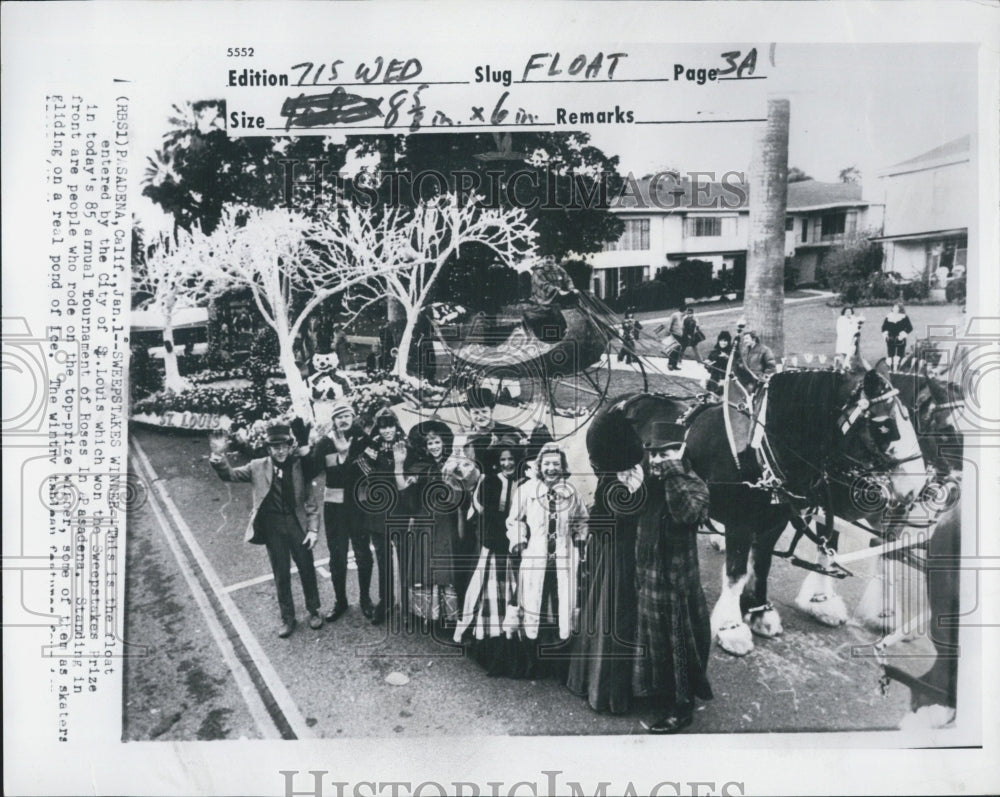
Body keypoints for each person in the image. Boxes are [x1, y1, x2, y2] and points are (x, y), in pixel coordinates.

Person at [633, 424, 713, 733]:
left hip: (677, 582)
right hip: (649, 576)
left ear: (680, 453)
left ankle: (682, 708)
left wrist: (672, 470)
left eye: (665, 453)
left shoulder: (692, 483)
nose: (656, 460)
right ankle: (658, 693)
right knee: (654, 643)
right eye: (653, 453)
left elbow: (689, 514)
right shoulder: (651, 483)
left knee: (679, 646)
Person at [209, 423, 324, 638]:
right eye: (275, 447)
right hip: (272, 527)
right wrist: (219, 459)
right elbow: (231, 475)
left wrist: (313, 530)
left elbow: (310, 501)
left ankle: (314, 611)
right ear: (268, 449)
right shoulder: (256, 466)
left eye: (284, 446)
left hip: (296, 524)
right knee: (281, 574)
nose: (280, 451)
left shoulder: (301, 466)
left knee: (307, 568)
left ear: (290, 447)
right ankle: (288, 618)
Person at [567, 409, 646, 714]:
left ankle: (599, 686)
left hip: (610, 552)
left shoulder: (611, 482)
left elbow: (603, 521)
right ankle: (619, 688)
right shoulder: (635, 478)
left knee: (604, 613)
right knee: (621, 616)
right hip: (626, 552)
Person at [504, 442, 589, 678]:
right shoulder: (527, 491)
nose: (551, 468)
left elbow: (582, 520)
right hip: (535, 558)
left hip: (564, 558)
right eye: (547, 463)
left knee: (562, 607)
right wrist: (519, 540)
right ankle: (531, 663)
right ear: (539, 466)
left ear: (562, 467)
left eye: (556, 464)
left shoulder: (571, 493)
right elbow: (513, 520)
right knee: (533, 607)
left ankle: (560, 667)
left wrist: (580, 543)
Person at [454, 437, 528, 676]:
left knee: (516, 598)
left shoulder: (525, 483)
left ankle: (516, 646)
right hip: (496, 550)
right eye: (502, 459)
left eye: (510, 459)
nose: (506, 463)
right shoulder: (490, 483)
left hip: (518, 550)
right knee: (491, 598)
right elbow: (486, 518)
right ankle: (491, 645)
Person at [396, 418, 466, 628]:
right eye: (430, 443)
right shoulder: (420, 467)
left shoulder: (453, 463)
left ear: (444, 442)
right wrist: (399, 464)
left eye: (437, 442)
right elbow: (403, 488)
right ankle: (429, 613)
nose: (434, 446)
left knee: (446, 564)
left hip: (448, 520)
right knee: (425, 565)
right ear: (424, 446)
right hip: (425, 519)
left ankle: (449, 614)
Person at [309, 399, 374, 622]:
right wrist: (315, 446)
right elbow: (313, 469)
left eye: (347, 415)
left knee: (363, 553)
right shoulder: (325, 442)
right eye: (339, 416)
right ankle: (341, 601)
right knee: (337, 556)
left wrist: (346, 457)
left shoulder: (364, 439)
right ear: (333, 420)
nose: (343, 420)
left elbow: (367, 471)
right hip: (334, 507)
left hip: (358, 504)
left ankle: (365, 599)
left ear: (353, 416)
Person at [355, 407, 409, 625]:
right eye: (383, 426)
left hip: (401, 510)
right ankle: (385, 602)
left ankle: (408, 604)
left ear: (396, 425)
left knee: (406, 559)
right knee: (383, 559)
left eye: (390, 425)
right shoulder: (373, 445)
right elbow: (360, 464)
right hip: (378, 512)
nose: (387, 430)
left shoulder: (405, 444)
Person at [463, 387, 524, 470]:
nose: (480, 416)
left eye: (484, 412)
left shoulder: (507, 431)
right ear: (469, 414)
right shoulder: (468, 436)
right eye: (475, 413)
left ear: (491, 411)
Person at [522, 257, 578, 342]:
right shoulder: (538, 271)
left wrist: (571, 288)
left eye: (551, 256)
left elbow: (568, 279)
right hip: (543, 298)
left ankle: (567, 331)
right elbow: (543, 285)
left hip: (556, 296)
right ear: (543, 259)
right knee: (553, 311)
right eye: (546, 257)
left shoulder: (558, 268)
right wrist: (557, 290)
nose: (549, 259)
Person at [882, 302, 914, 372]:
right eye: (894, 307)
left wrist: (903, 334)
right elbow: (884, 328)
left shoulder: (904, 317)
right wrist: (886, 333)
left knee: (900, 355)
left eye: (897, 308)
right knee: (891, 355)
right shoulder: (888, 317)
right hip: (890, 339)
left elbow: (910, 328)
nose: (895, 309)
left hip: (900, 339)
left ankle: (899, 371)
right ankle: (891, 370)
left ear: (900, 309)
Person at [705, 330, 734, 395]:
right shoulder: (714, 352)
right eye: (721, 340)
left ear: (728, 342)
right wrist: (707, 365)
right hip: (714, 379)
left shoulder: (732, 353)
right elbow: (708, 368)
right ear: (718, 341)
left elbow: (735, 365)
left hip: (725, 379)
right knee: (712, 397)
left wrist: (727, 357)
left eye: (725, 341)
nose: (723, 343)